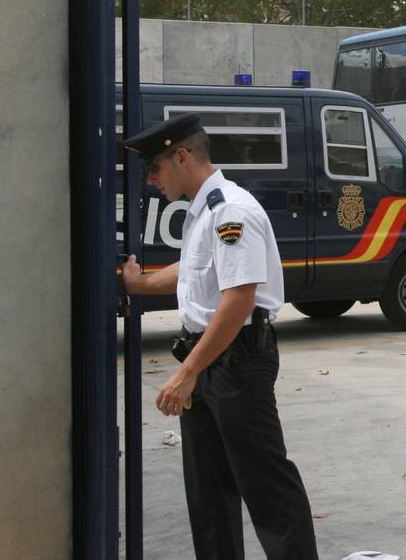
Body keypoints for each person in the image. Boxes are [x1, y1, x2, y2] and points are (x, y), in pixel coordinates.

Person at [121, 113, 318, 560]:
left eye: (155, 168)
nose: (151, 180)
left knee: (265, 483)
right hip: (210, 358)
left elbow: (238, 300)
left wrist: (187, 373)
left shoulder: (231, 210)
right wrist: (140, 285)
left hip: (236, 361)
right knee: (208, 488)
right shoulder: (203, 210)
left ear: (183, 156)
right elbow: (193, 271)